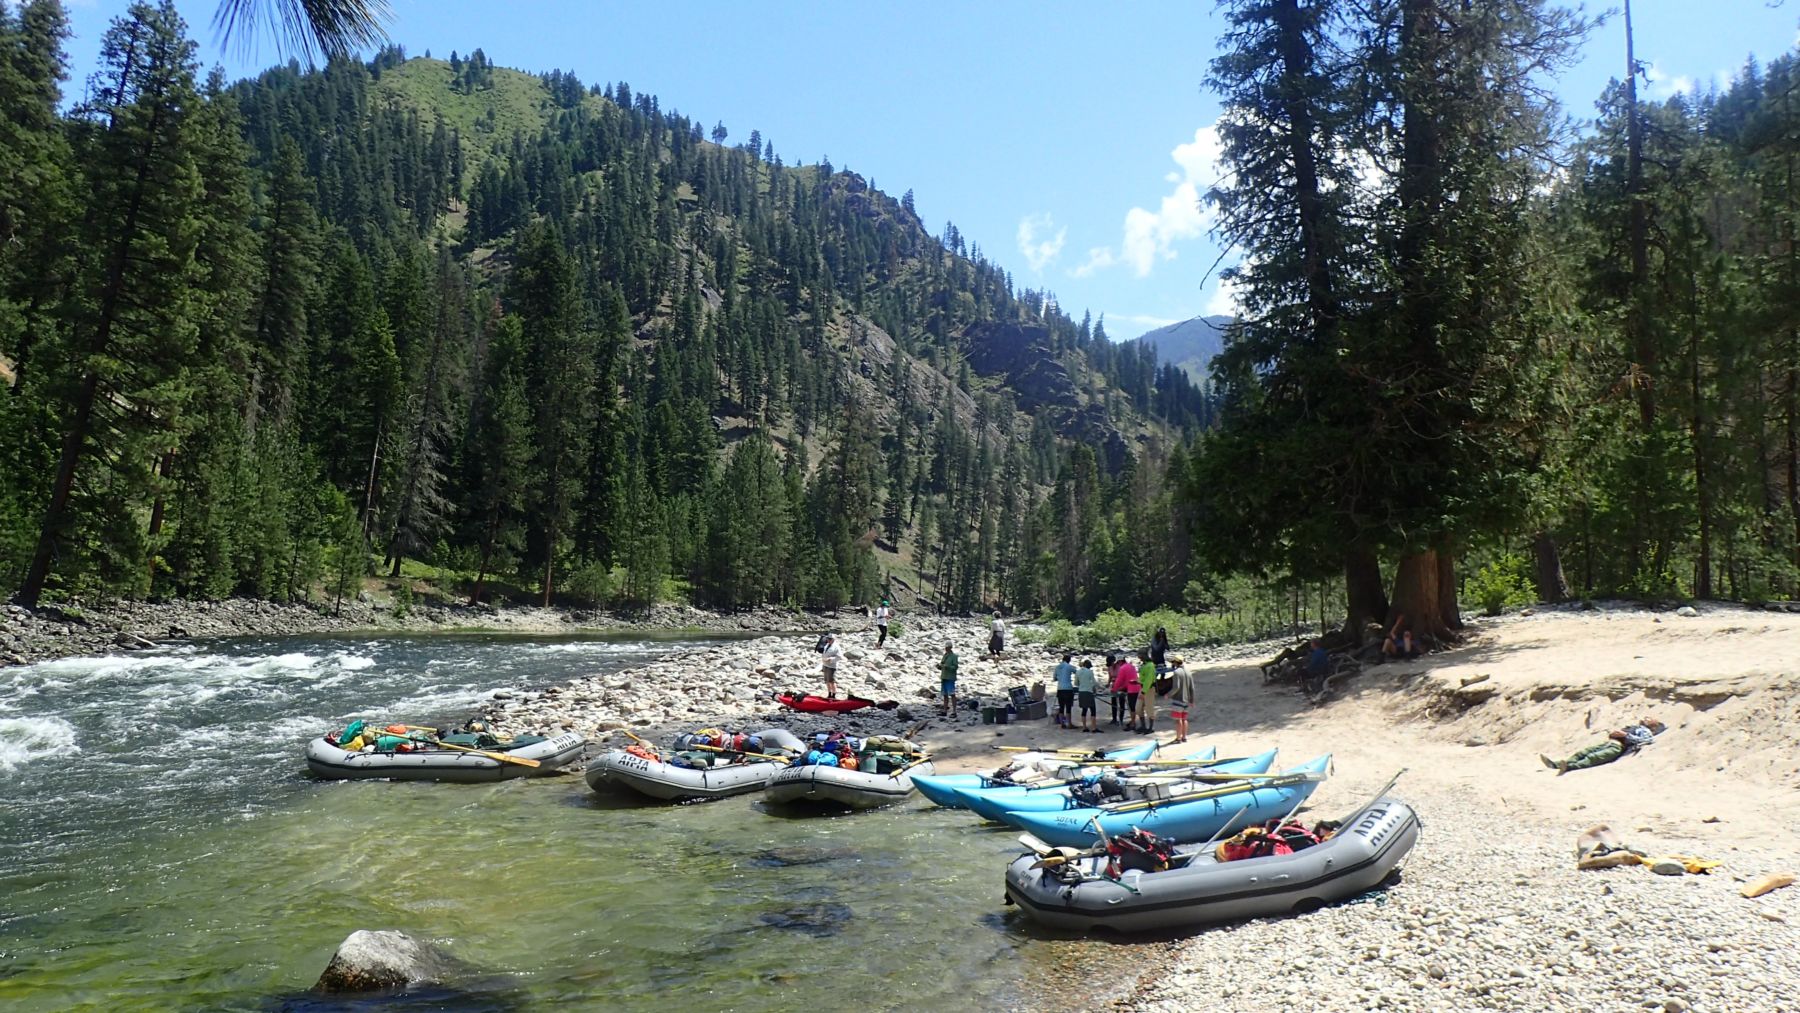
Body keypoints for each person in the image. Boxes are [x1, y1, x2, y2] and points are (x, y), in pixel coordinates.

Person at [1541, 718, 1666, 774]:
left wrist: (1625, 735)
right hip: (1610, 743)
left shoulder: (1645, 731)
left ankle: (1568, 767)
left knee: (1593, 757)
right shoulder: (1636, 727)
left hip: (1617, 747)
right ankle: (1556, 764)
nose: (1645, 719)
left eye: (1649, 719)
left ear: (1652, 725)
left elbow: (1646, 740)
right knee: (1583, 752)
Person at [1166, 656, 1194, 743]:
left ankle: (1178, 738)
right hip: (1187, 699)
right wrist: (1192, 700)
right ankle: (1184, 737)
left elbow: (1176, 687)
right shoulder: (1188, 672)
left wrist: (1168, 695)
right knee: (1184, 719)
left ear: (1175, 662)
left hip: (1178, 699)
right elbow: (1192, 688)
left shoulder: (1177, 672)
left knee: (1178, 720)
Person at [1115, 653, 1143, 733]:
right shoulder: (1131, 666)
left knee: (1132, 708)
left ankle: (1133, 724)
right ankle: (1133, 721)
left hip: (1131, 689)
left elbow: (1119, 680)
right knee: (1133, 706)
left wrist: (1115, 688)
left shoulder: (1122, 668)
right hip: (1137, 687)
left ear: (1120, 661)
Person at [1051, 653, 1077, 728]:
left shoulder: (1057, 667)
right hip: (1068, 688)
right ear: (1069, 660)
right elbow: (1076, 672)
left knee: (1061, 707)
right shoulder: (1069, 666)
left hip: (1060, 688)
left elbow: (1054, 678)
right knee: (1068, 707)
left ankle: (1062, 724)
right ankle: (1069, 724)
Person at [1134, 648, 1156, 733]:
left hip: (1149, 689)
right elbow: (1143, 678)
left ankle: (1150, 728)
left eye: (1139, 655)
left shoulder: (1150, 665)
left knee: (1149, 709)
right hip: (1142, 688)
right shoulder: (1144, 665)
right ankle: (1143, 726)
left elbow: (1149, 680)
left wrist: (1143, 692)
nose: (1139, 657)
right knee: (1138, 708)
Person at [1075, 658, 1099, 733]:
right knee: (1093, 710)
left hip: (1081, 692)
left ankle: (1084, 727)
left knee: (1084, 710)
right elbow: (1094, 683)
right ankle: (1094, 728)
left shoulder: (1078, 672)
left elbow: (1076, 683)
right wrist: (1100, 687)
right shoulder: (1090, 672)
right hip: (1088, 692)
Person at [820, 633, 843, 699]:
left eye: (830, 639)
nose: (828, 640)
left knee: (832, 681)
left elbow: (839, 657)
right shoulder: (827, 645)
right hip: (825, 665)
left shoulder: (836, 647)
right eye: (828, 639)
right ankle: (829, 693)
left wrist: (831, 659)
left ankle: (834, 694)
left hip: (832, 666)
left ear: (833, 639)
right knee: (827, 680)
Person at [939, 643, 959, 717]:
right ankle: (944, 710)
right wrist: (939, 666)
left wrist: (947, 667)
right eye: (945, 647)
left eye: (947, 647)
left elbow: (955, 667)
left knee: (952, 694)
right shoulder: (945, 655)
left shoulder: (954, 656)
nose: (946, 649)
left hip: (950, 677)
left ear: (950, 648)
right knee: (945, 694)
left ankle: (954, 711)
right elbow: (942, 664)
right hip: (944, 676)